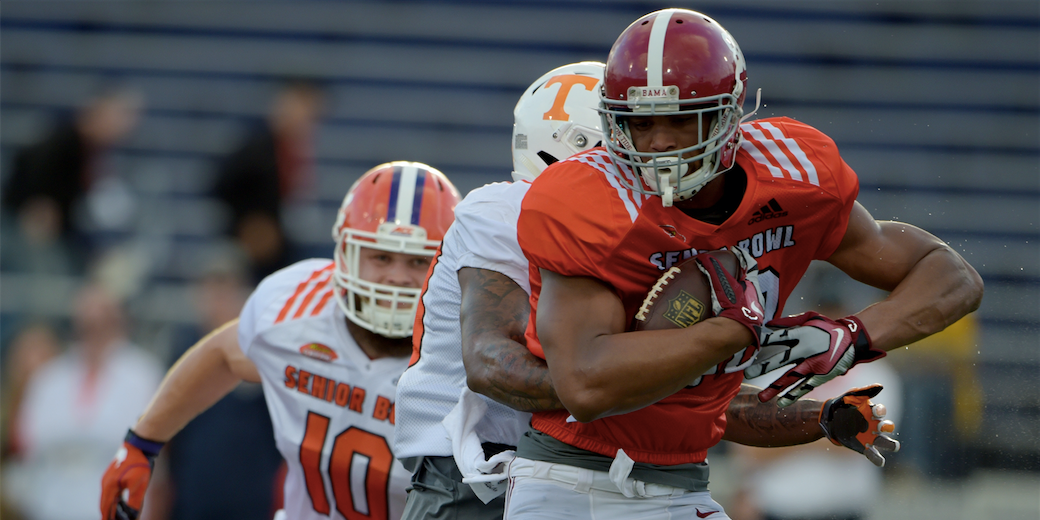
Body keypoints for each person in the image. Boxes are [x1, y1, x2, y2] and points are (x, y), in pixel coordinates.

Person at [508, 8, 983, 519]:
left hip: (686, 477)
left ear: (728, 115)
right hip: (574, 478)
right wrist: (734, 333)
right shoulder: (587, 199)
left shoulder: (796, 174)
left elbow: (950, 275)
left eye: (680, 119)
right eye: (641, 122)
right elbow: (585, 385)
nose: (660, 142)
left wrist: (850, 335)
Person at [394, 62, 902, 520]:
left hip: (564, 472)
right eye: (626, 141)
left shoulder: (638, 234)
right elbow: (490, 364)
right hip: (466, 479)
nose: (653, 161)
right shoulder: (505, 212)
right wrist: (635, 374)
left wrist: (818, 417)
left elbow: (685, 401)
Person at [99, 161, 461, 520]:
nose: (397, 278)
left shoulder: (466, 357)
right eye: (382, 257)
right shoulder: (295, 307)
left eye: (417, 261)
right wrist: (141, 443)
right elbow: (224, 354)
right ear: (348, 255)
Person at [6, 283, 164, 520]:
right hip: (50, 507)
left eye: (102, 321)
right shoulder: (50, 377)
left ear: (119, 321)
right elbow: (27, 443)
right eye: (86, 323)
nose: (94, 331)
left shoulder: (143, 374)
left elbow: (158, 461)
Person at [212, 79, 325, 283]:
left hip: (286, 242)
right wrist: (248, 222)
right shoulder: (257, 148)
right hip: (257, 252)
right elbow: (219, 184)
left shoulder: (297, 149)